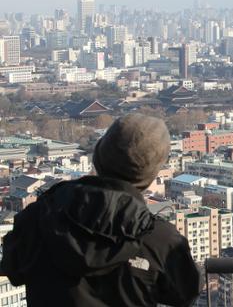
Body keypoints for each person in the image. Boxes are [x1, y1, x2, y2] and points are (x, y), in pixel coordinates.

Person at [1, 113, 200, 307]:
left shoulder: (39, 216)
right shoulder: (160, 240)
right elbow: (185, 294)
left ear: (98, 156)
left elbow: (13, 268)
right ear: (152, 173)